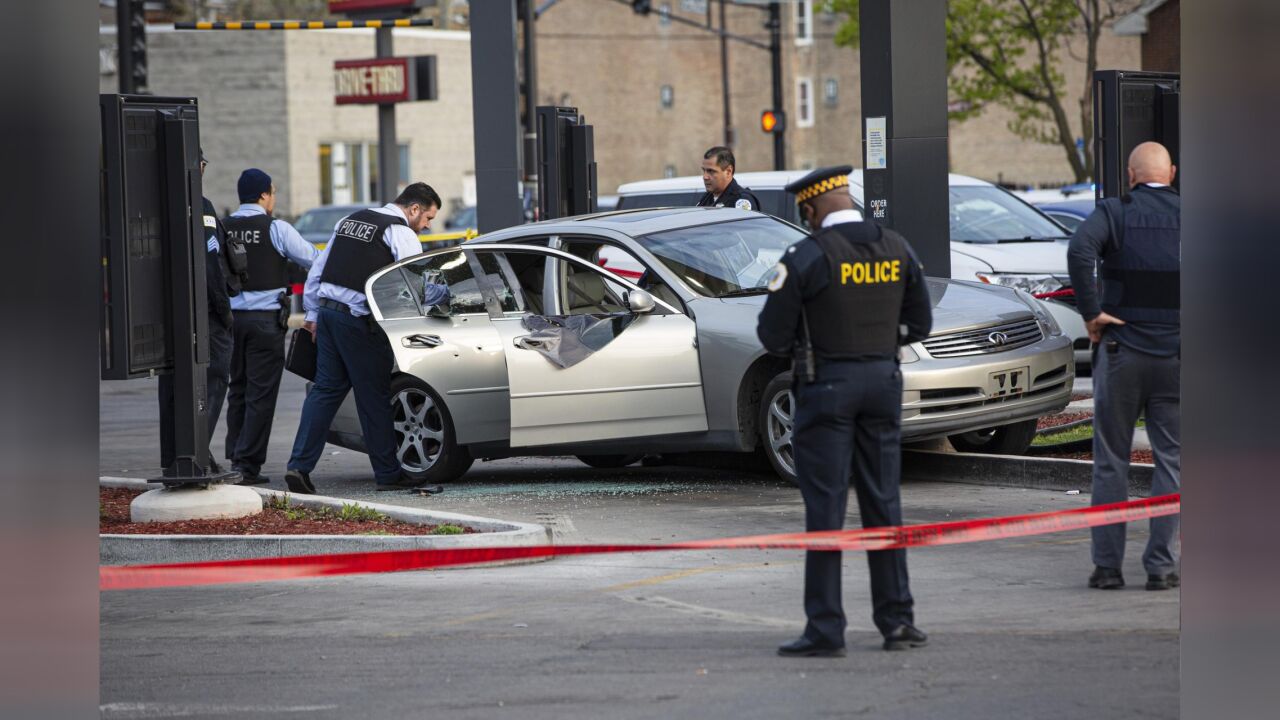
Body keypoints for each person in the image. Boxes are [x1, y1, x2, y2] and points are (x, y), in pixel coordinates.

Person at [757, 166, 933, 657]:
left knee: (826, 507)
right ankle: (897, 622)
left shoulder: (807, 255)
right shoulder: (897, 246)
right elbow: (920, 321)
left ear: (810, 209)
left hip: (827, 389)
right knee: (884, 502)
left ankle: (826, 629)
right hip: (882, 383)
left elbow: (771, 335)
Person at [284, 183, 448, 494]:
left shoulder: (351, 221)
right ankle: (388, 474)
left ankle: (298, 467)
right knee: (374, 398)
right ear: (414, 209)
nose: (427, 226)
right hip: (358, 321)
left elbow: (318, 269)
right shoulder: (401, 233)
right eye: (427, 218)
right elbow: (416, 283)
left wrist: (313, 316)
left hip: (329, 316)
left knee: (325, 392)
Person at [1068, 141, 1181, 591]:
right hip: (1177, 357)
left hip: (1122, 354)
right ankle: (1160, 566)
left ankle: (1108, 568)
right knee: (1172, 459)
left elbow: (1080, 252)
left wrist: (1092, 313)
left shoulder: (1114, 211)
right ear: (1171, 172)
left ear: (1131, 175)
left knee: (1111, 461)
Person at [222, 169, 318, 485]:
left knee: (237, 390)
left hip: (229, 323)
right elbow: (313, 259)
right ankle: (247, 466)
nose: (274, 198)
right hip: (265, 322)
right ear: (264, 195)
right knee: (260, 395)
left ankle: (236, 457)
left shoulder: (223, 228)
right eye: (273, 192)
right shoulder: (276, 227)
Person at [157, 149, 236, 476]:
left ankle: (177, 457)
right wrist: (224, 311)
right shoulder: (200, 205)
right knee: (215, 377)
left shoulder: (157, 202)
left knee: (173, 385)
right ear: (198, 166)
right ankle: (197, 453)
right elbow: (210, 264)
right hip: (203, 314)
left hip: (167, 312)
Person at [696, 146, 761, 211]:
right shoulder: (706, 198)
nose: (705, 177)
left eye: (711, 171)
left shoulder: (741, 200)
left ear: (728, 172)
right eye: (704, 170)